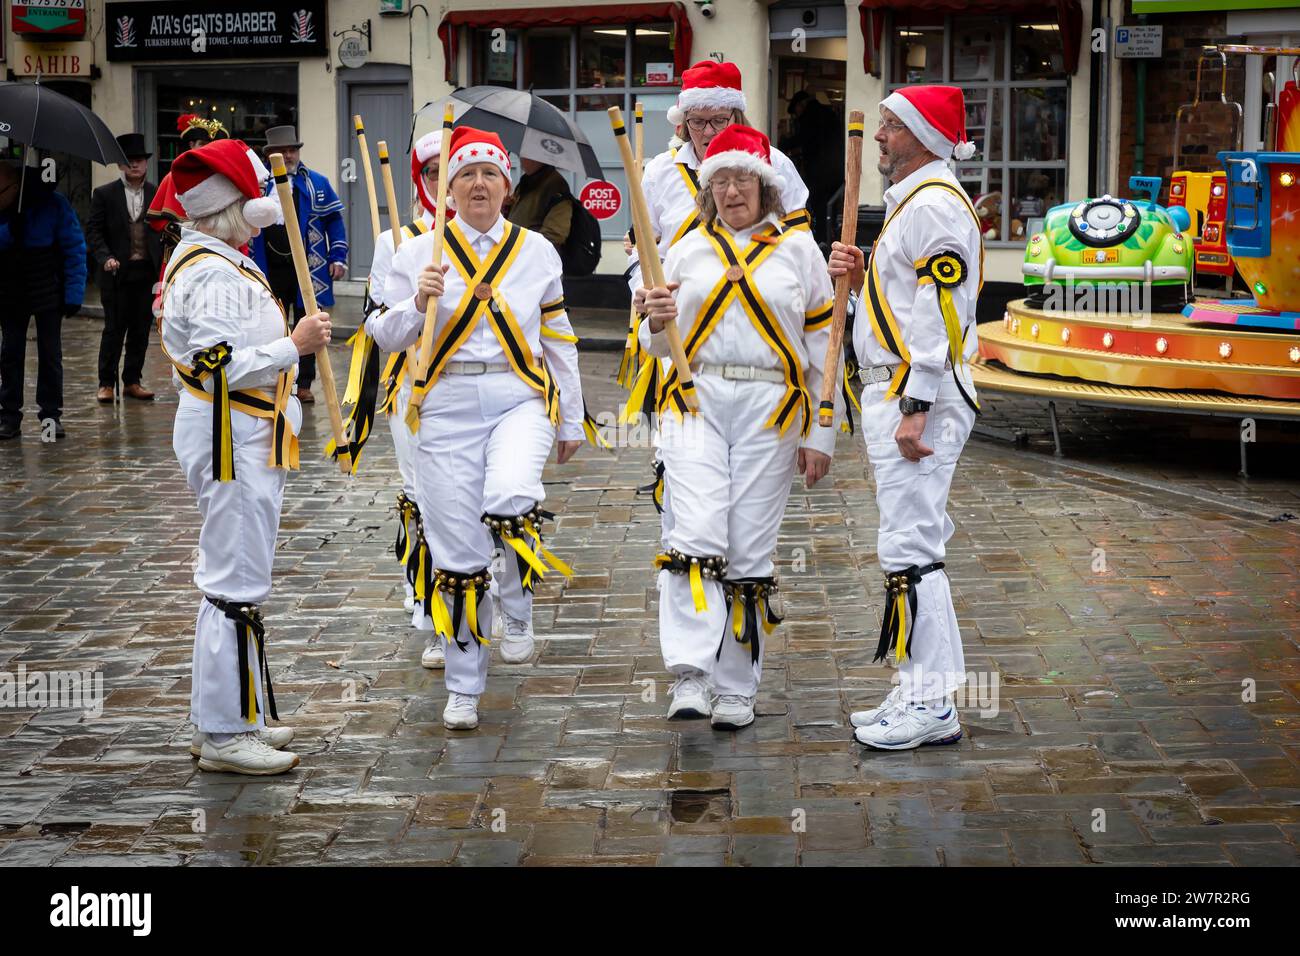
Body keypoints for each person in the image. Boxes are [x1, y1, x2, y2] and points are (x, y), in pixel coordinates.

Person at [369, 127, 590, 731]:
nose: (477, 184)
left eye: (490, 174)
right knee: (458, 554)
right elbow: (381, 336)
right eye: (464, 175)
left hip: (518, 395)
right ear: (444, 189)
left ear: (508, 186)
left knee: (513, 492)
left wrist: (572, 414)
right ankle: (465, 686)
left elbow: (559, 338)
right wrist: (417, 304)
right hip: (440, 404)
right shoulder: (416, 252)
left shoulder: (536, 251)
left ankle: (517, 605)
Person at [639, 125, 840, 730]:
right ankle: (691, 673)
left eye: (742, 180)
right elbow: (653, 347)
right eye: (720, 180)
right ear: (708, 189)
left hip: (770, 408)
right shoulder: (684, 247)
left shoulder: (801, 252)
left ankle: (736, 686)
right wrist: (653, 320)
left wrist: (820, 432)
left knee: (748, 546)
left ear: (766, 187)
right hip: (694, 398)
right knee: (696, 529)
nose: (731, 192)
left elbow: (824, 345)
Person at [160, 138, 330, 775]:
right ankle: (226, 732)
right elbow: (216, 364)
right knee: (232, 583)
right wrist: (293, 346)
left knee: (237, 579)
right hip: (230, 435)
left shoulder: (223, 260)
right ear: (231, 211)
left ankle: (233, 716)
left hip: (247, 431)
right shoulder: (208, 271)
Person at [826, 85, 983, 751]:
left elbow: (941, 316)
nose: (881, 139)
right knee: (909, 545)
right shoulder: (915, 206)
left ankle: (932, 702)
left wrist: (916, 406)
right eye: (883, 126)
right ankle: (921, 684)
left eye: (891, 127)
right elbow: (907, 301)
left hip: (919, 397)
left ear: (922, 134)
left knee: (912, 548)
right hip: (899, 391)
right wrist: (862, 280)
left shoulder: (935, 209)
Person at [623, 59, 812, 556]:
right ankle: (685, 559)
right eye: (697, 122)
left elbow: (799, 255)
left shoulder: (777, 167)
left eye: (719, 121)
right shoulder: (660, 173)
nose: (707, 132)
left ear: (738, 119)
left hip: (760, 335)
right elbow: (643, 249)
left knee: (747, 519)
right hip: (681, 331)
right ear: (682, 122)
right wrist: (643, 294)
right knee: (681, 469)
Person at [364, 130, 452, 670]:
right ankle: (433, 613)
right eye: (437, 171)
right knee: (423, 499)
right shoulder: (395, 239)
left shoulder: (494, 236)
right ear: (422, 179)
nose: (448, 181)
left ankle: (477, 603)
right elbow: (378, 325)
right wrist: (416, 303)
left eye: (457, 169)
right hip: (414, 389)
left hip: (479, 390)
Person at [250, 125, 348, 404]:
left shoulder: (316, 182)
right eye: (282, 151)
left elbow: (334, 222)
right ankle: (277, 379)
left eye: (293, 150)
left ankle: (304, 383)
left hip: (308, 267)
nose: (289, 155)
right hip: (269, 266)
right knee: (272, 324)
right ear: (270, 155)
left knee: (310, 324)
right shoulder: (256, 186)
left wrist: (338, 257)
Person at [0, 162, 86, 441]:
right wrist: (9, 228)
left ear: (15, 184)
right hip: (11, 289)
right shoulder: (5, 207)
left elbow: (74, 248)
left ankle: (50, 417)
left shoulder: (54, 204)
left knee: (50, 355)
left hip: (47, 287)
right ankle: (9, 416)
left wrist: (73, 294)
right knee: (10, 354)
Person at [88, 132, 163, 404]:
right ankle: (106, 383)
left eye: (139, 160)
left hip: (146, 272)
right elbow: (94, 231)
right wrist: (105, 256)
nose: (134, 165)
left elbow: (167, 230)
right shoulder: (104, 194)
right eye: (129, 160)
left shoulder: (157, 193)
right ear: (121, 164)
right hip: (116, 273)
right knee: (113, 330)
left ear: (146, 163)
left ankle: (132, 380)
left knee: (141, 329)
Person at [147, 113, 228, 265]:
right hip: (181, 255)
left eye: (212, 145)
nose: (207, 149)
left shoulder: (224, 179)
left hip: (221, 254)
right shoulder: (173, 178)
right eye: (202, 143)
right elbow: (158, 222)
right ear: (192, 145)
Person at [781, 90, 842, 237]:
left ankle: (820, 238)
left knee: (817, 206)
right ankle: (827, 235)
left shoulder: (810, 116)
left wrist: (784, 144)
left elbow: (805, 139)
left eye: (796, 111)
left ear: (801, 105)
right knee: (829, 209)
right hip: (834, 169)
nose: (797, 115)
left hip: (820, 172)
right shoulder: (826, 113)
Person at [506, 158, 573, 251]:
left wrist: (525, 251)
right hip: (514, 253)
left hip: (532, 259)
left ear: (536, 158)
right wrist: (506, 206)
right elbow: (517, 218)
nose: (520, 159)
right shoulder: (526, 181)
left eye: (525, 155)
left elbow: (554, 235)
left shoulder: (555, 186)